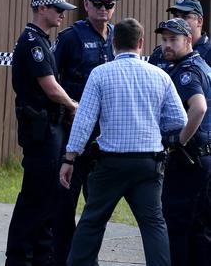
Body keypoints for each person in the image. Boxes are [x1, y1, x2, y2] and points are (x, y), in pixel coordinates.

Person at [60, 18, 187, 266]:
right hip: (148, 164)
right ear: (141, 43)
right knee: (154, 225)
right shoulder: (160, 76)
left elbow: (84, 120)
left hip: (110, 164)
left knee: (92, 222)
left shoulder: (100, 74)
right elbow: (179, 119)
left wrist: (70, 157)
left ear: (113, 43)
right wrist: (154, 129)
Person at [6, 0, 79, 266]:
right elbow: (50, 87)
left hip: (49, 128)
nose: (62, 14)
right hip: (41, 129)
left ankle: (40, 254)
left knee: (48, 194)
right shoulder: (33, 43)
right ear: (41, 8)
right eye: (58, 8)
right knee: (35, 196)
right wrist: (74, 106)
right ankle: (19, 256)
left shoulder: (42, 40)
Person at [52, 0, 116, 265]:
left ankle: (88, 258)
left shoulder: (116, 36)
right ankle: (63, 257)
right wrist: (66, 106)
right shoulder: (71, 37)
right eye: (98, 4)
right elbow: (50, 77)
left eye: (109, 4)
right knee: (65, 200)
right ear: (87, 5)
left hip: (104, 134)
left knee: (97, 203)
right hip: (74, 128)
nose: (103, 9)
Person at [154, 17, 211, 266]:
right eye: (164, 39)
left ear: (188, 40)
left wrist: (179, 141)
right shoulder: (199, 64)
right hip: (203, 157)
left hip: (190, 160)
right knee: (199, 228)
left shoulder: (187, 71)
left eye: (173, 40)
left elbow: (198, 108)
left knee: (176, 225)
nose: (167, 45)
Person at [149, 0, 209, 70]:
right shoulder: (160, 53)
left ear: (199, 21)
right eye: (176, 16)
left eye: (185, 17)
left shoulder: (209, 52)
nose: (178, 21)